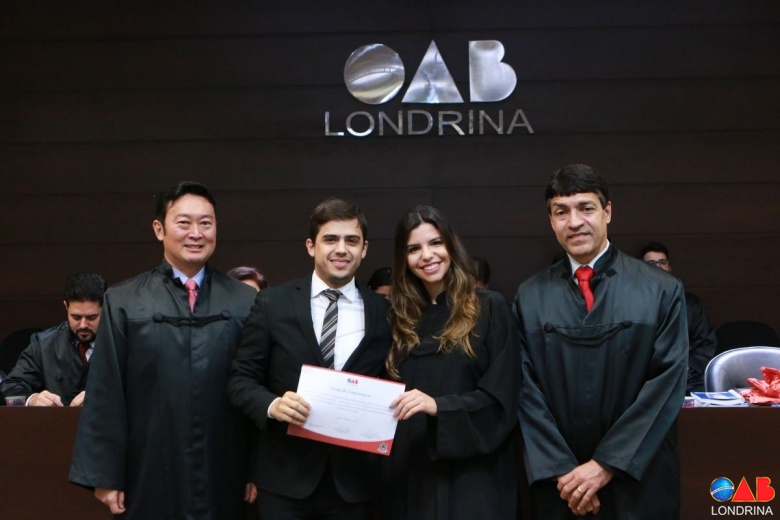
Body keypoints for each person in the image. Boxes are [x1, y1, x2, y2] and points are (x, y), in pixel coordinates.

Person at [69, 181, 258, 520]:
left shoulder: (245, 301)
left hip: (225, 463)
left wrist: (256, 468)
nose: (196, 233)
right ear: (159, 229)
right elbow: (106, 391)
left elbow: (258, 386)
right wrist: (105, 475)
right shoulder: (124, 300)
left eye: (206, 223)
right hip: (148, 464)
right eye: (184, 222)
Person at [513, 164, 688, 519]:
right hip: (561, 487)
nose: (574, 222)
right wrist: (565, 471)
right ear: (551, 221)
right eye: (561, 212)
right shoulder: (529, 297)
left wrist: (605, 465)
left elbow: (665, 386)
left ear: (607, 211)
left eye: (586, 208)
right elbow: (523, 390)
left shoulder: (661, 290)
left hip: (637, 478)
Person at [227, 197, 392, 520]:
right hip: (285, 480)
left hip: (355, 485)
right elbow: (239, 380)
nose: (341, 249)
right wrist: (273, 405)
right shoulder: (272, 304)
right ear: (311, 246)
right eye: (330, 239)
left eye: (351, 241)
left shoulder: (385, 313)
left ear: (364, 249)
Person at [382, 206, 520, 520]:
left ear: (451, 246)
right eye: (414, 249)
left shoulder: (489, 309)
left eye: (436, 243)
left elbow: (502, 399)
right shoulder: (398, 321)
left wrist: (438, 407)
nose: (427, 256)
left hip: (474, 479)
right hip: (412, 478)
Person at [1, 272, 106, 407]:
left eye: (91, 317)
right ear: (66, 307)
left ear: (105, 308)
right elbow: (9, 386)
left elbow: (133, 388)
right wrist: (32, 399)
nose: (83, 325)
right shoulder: (43, 345)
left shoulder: (122, 343)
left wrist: (105, 397)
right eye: (76, 317)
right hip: (55, 419)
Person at [640, 241, 718, 392]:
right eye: (651, 263)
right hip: (646, 379)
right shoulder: (631, 302)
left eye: (662, 262)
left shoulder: (691, 304)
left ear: (669, 267)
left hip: (687, 378)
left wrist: (687, 367)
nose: (658, 267)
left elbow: (707, 343)